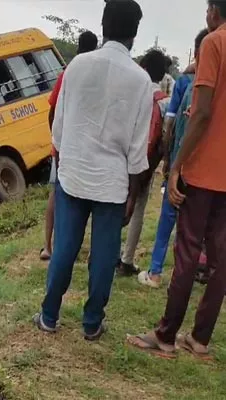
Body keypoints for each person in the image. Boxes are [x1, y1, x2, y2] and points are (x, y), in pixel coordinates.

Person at [34, 0, 150, 341]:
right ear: (134, 34)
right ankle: (91, 323)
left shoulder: (77, 66)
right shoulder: (141, 80)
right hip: (113, 184)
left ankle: (49, 315)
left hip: (73, 177)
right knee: (103, 258)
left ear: (104, 25)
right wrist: (131, 192)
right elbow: (138, 147)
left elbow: (59, 130)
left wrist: (67, 161)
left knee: (65, 248)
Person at [127, 0, 226, 359]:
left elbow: (199, 115)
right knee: (219, 259)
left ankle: (166, 336)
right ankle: (200, 340)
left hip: (203, 171)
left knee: (186, 253)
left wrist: (178, 165)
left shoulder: (214, 43)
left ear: (215, 11)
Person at [138, 29, 210, 288]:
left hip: (182, 165)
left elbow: (169, 126)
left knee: (167, 220)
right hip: (206, 173)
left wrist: (170, 164)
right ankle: (184, 279)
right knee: (192, 229)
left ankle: (155, 272)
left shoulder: (185, 83)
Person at [40, 30, 98, 262]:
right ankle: (85, 248)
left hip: (63, 146)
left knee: (57, 194)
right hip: (85, 147)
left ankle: (48, 246)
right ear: (94, 49)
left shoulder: (68, 72)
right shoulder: (93, 74)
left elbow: (52, 111)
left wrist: (57, 141)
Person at [115, 49, 170, 277]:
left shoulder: (132, 92)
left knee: (116, 205)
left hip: (123, 160)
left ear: (144, 68)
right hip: (146, 165)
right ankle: (127, 260)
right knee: (138, 209)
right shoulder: (165, 102)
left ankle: (109, 254)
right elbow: (166, 139)